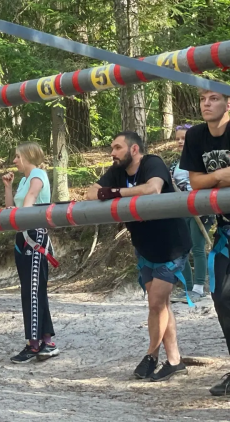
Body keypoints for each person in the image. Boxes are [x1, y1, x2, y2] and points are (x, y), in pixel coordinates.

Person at [86, 131, 191, 382]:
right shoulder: (117, 171)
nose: (112, 153)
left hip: (171, 247)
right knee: (161, 305)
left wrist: (113, 193)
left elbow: (152, 189)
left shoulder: (152, 162)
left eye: (117, 148)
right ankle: (175, 360)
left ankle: (151, 355)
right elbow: (92, 193)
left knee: (156, 303)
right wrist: (116, 191)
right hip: (144, 249)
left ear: (134, 150)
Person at [179, 88, 230, 396]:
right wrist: (224, 175)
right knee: (221, 297)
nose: (207, 104)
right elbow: (195, 181)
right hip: (225, 229)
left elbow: (203, 179)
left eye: (214, 98)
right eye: (202, 99)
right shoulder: (197, 135)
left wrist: (213, 177)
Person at [2, 142, 59, 363]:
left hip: (34, 235)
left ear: (27, 156)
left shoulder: (37, 174)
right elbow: (12, 206)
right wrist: (8, 187)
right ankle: (46, 341)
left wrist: (20, 216)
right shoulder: (24, 180)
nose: (14, 160)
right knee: (30, 289)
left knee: (34, 290)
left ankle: (34, 344)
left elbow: (29, 201)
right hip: (22, 235)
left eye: (17, 156)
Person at [169, 124, 213, 305]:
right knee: (183, 249)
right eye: (178, 138)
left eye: (184, 138)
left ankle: (199, 287)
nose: (180, 142)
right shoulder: (174, 166)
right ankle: (187, 288)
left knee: (197, 246)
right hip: (182, 210)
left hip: (201, 208)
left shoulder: (201, 160)